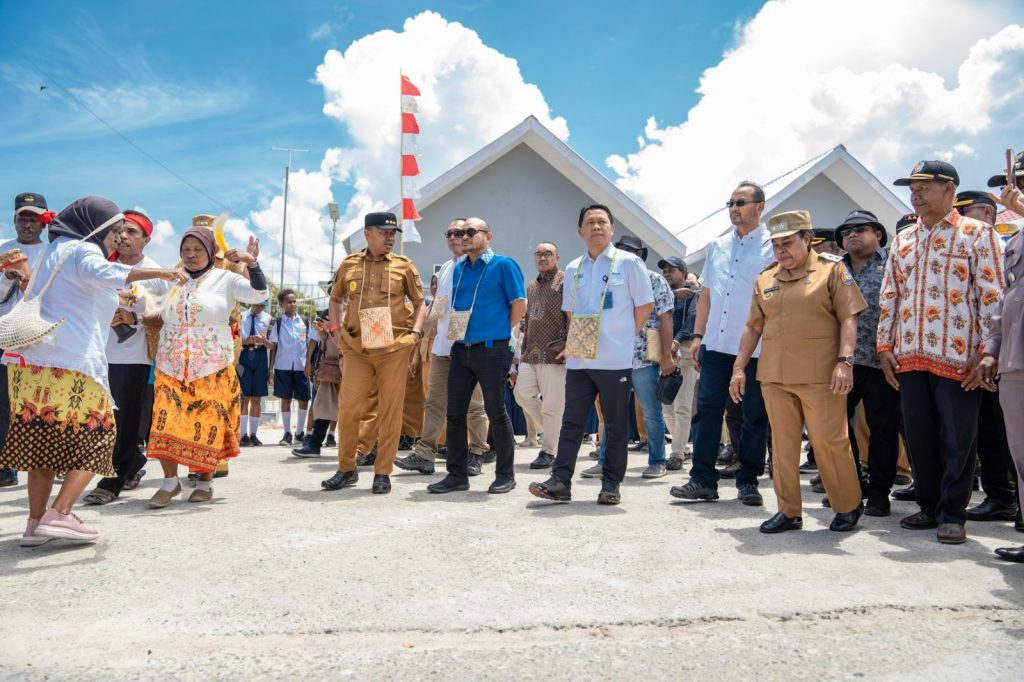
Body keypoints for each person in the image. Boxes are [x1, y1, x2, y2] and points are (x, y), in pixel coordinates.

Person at [0, 197, 185, 544]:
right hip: (71, 365)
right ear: (96, 228)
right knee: (101, 436)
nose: (118, 237)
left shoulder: (54, 251)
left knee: (43, 446)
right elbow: (105, 273)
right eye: (114, 230)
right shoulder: (84, 251)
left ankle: (34, 524)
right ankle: (61, 513)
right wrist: (164, 272)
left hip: (34, 364)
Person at [878, 160, 1005, 545]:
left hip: (960, 355)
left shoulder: (978, 234)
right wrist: (885, 346)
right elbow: (889, 297)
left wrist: (988, 350)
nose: (915, 194)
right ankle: (929, 505)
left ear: (949, 189)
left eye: (924, 187)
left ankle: (953, 513)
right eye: (911, 189)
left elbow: (993, 296)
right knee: (919, 437)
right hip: (910, 356)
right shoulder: (903, 240)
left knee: (958, 438)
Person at [731, 210, 868, 533]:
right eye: (776, 245)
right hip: (775, 376)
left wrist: (845, 362)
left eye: (788, 243)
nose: (781, 251)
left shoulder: (831, 271)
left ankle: (847, 505)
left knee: (829, 442)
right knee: (782, 445)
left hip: (821, 374)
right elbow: (753, 326)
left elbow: (849, 317)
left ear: (807, 240)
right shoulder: (766, 278)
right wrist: (739, 367)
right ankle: (789, 511)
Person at [529, 204, 654, 505]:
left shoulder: (628, 263)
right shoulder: (574, 268)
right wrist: (579, 345)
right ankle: (560, 481)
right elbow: (571, 313)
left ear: (612, 228)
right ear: (580, 231)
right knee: (572, 421)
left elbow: (645, 305)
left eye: (602, 222)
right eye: (590, 222)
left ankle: (611, 484)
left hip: (616, 360)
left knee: (614, 423)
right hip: (580, 360)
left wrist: (623, 337)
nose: (596, 227)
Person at [146, 223, 268, 508]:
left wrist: (254, 264)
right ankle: (169, 482)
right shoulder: (170, 279)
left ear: (211, 252)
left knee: (207, 424)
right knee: (165, 421)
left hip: (211, 364)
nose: (191, 255)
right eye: (186, 249)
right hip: (170, 362)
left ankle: (205, 481)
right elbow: (147, 303)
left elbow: (258, 295)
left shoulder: (225, 279)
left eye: (197, 249)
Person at [673, 181, 773, 507]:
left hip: (756, 346)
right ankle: (702, 479)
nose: (733, 208)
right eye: (730, 202)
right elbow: (706, 295)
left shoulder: (773, 247)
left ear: (760, 206)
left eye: (741, 202)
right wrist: (699, 336)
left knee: (753, 414)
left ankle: (748, 481)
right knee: (707, 411)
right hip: (716, 343)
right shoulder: (717, 246)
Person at [322, 211, 424, 494]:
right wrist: (336, 330)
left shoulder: (404, 266)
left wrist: (415, 335)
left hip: (393, 348)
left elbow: (419, 303)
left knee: (391, 410)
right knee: (349, 407)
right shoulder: (349, 264)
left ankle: (383, 472)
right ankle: (346, 468)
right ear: (367, 233)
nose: (390, 238)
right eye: (384, 232)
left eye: (393, 233)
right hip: (357, 347)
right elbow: (335, 298)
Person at [426, 217, 526, 495]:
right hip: (461, 347)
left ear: (488, 236)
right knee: (455, 413)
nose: (464, 236)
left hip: (492, 348)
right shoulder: (459, 270)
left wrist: (500, 331)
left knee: (496, 411)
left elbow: (519, 305)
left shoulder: (504, 264)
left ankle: (505, 474)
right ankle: (456, 475)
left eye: (471, 232)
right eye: (459, 232)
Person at [83, 210, 173, 505]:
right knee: (99, 418)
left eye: (132, 231)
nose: (123, 236)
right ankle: (132, 460)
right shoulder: (100, 266)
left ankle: (113, 479)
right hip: (95, 352)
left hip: (134, 356)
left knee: (123, 418)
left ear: (146, 239)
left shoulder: (156, 274)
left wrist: (133, 315)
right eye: (120, 230)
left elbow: (165, 312)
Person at [964, 154, 1024, 561]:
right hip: (1015, 360)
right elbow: (1005, 301)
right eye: (1018, 179)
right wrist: (991, 350)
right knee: (1020, 453)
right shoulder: (1017, 239)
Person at [395, 220, 489, 476]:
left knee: (473, 405)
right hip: (442, 347)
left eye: (460, 233)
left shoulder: (483, 266)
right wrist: (429, 329)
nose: (454, 237)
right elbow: (439, 304)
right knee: (434, 402)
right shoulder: (447, 268)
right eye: (449, 233)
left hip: (471, 346)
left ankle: (478, 452)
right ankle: (425, 453)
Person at [581, 234, 674, 479]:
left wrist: (667, 355)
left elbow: (666, 318)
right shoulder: (609, 278)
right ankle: (604, 461)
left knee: (651, 411)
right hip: (612, 356)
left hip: (644, 357)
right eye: (620, 249)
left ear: (641, 254)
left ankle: (657, 460)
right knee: (612, 412)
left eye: (630, 250)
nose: (624, 253)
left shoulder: (655, 280)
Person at [953, 191, 1017, 523]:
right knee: (990, 429)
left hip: (1011, 350)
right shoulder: (966, 245)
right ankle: (1000, 497)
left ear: (989, 213)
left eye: (968, 210)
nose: (962, 217)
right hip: (985, 352)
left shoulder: (1008, 242)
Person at [833, 209, 902, 516]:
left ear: (878, 234)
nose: (851, 234)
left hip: (881, 361)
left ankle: (879, 492)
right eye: (845, 231)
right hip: (840, 363)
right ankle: (852, 485)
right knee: (835, 428)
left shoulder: (894, 264)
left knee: (883, 429)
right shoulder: (832, 270)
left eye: (860, 228)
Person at [0, 192, 52, 488]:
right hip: (6, 331)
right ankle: (6, 464)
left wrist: (26, 279)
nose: (27, 224)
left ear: (43, 223)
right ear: (14, 219)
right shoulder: (4, 249)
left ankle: (44, 460)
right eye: (23, 218)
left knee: (37, 400)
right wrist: (6, 279)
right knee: (4, 401)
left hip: (38, 334)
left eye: (33, 219)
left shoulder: (50, 253)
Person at [513, 241, 568, 471]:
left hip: (556, 351)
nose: (543, 258)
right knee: (522, 395)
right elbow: (526, 320)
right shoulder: (531, 286)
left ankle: (548, 451)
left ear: (557, 257)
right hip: (531, 351)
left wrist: (569, 345)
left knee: (552, 406)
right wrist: (522, 348)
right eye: (539, 254)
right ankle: (556, 435)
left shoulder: (566, 282)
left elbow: (573, 314)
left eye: (548, 254)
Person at [658, 256, 699, 470]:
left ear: (683, 272)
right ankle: (681, 447)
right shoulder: (662, 294)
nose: (667, 274)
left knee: (683, 406)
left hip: (684, 351)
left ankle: (677, 453)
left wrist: (676, 340)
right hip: (663, 353)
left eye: (671, 270)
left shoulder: (694, 293)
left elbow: (693, 320)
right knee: (667, 406)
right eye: (664, 270)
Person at [292, 312, 342, 457]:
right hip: (330, 371)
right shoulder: (334, 320)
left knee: (353, 412)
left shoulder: (348, 316)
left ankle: (361, 449)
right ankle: (314, 445)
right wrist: (322, 331)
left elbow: (343, 343)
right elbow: (328, 342)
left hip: (347, 371)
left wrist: (332, 328)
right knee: (323, 407)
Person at [269, 289, 312, 446]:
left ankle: (299, 432)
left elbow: (310, 345)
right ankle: (287, 433)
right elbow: (273, 346)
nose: (293, 304)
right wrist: (271, 369)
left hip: (301, 366)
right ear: (282, 304)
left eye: (294, 301)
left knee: (303, 399)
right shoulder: (279, 323)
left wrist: (309, 364)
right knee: (285, 399)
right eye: (289, 301)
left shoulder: (305, 322)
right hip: (283, 366)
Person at [238, 299, 271, 446]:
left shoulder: (269, 319)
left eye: (262, 306)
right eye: (257, 305)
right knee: (244, 396)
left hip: (260, 355)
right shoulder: (241, 316)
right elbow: (234, 338)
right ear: (251, 302)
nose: (259, 308)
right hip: (244, 355)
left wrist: (263, 341)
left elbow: (272, 345)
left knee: (257, 397)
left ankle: (253, 434)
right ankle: (242, 434)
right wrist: (245, 341)